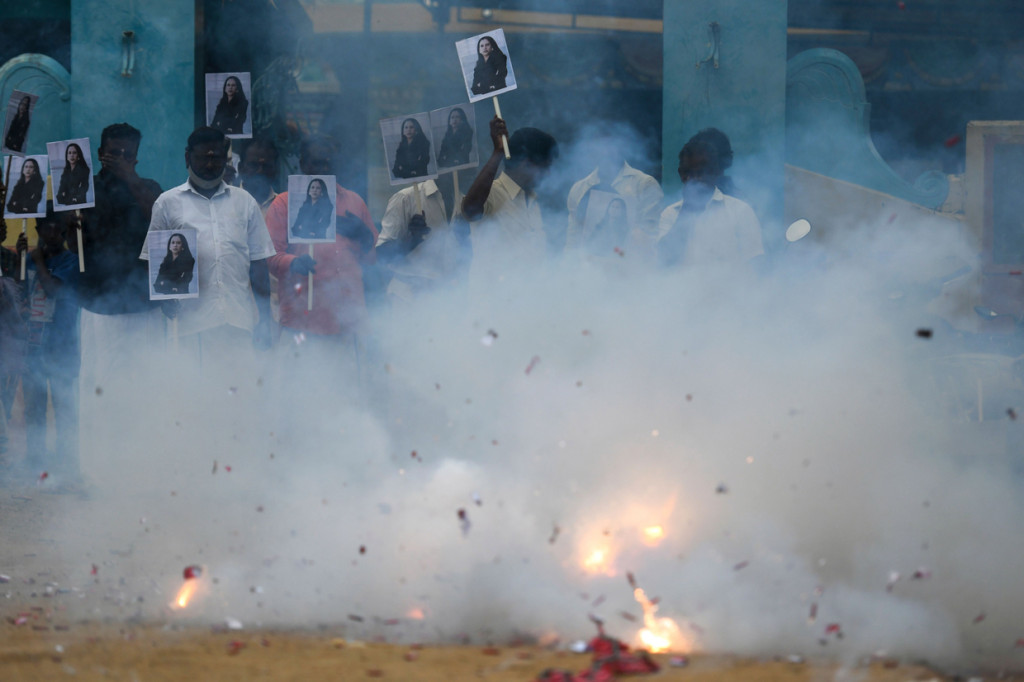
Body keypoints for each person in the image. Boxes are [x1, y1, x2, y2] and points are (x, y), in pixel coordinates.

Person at [143, 126, 275, 351]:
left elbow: (258, 265)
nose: (211, 165)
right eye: (204, 158)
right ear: (188, 157)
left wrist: (265, 318)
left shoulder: (245, 203)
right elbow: (152, 263)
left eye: (217, 158)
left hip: (238, 323)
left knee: (239, 387)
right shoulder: (167, 204)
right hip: (189, 329)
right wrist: (164, 298)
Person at [265, 135, 377, 341]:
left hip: (349, 319)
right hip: (303, 319)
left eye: (329, 162)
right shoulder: (283, 204)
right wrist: (294, 263)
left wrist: (364, 237)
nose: (323, 168)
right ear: (302, 164)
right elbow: (271, 256)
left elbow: (372, 260)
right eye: (316, 162)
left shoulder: (354, 202)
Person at [15, 204, 82, 486]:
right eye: (46, 227)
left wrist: (37, 257)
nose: (52, 232)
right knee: (35, 406)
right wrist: (20, 258)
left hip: (62, 347)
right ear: (38, 229)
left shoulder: (71, 262)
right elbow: (19, 290)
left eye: (58, 227)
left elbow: (53, 289)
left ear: (66, 232)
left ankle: (66, 460)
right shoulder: (28, 260)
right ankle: (36, 459)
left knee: (64, 405)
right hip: (34, 347)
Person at [462, 117, 557, 290]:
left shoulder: (533, 200)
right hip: (494, 308)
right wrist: (498, 153)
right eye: (545, 167)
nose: (549, 174)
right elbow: (470, 209)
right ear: (526, 164)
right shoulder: (492, 193)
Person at [657, 136, 763, 270]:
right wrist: (686, 211)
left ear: (716, 173)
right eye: (688, 173)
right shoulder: (670, 214)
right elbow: (664, 260)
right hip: (682, 289)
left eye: (701, 172)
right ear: (682, 175)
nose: (695, 179)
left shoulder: (740, 211)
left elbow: (755, 263)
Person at [565, 132, 662, 250]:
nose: (606, 151)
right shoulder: (579, 188)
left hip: (628, 263)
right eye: (599, 146)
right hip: (587, 265)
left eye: (611, 145)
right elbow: (573, 237)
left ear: (623, 147)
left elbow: (651, 233)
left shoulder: (644, 184)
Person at [376, 180, 458, 302]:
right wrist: (412, 241)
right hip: (408, 298)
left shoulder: (462, 201)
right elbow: (381, 253)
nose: (473, 170)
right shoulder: (406, 198)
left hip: (446, 299)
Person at [237, 137, 279, 214]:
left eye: (266, 166)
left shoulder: (283, 207)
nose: (260, 171)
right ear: (240, 168)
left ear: (275, 169)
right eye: (253, 165)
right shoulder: (230, 204)